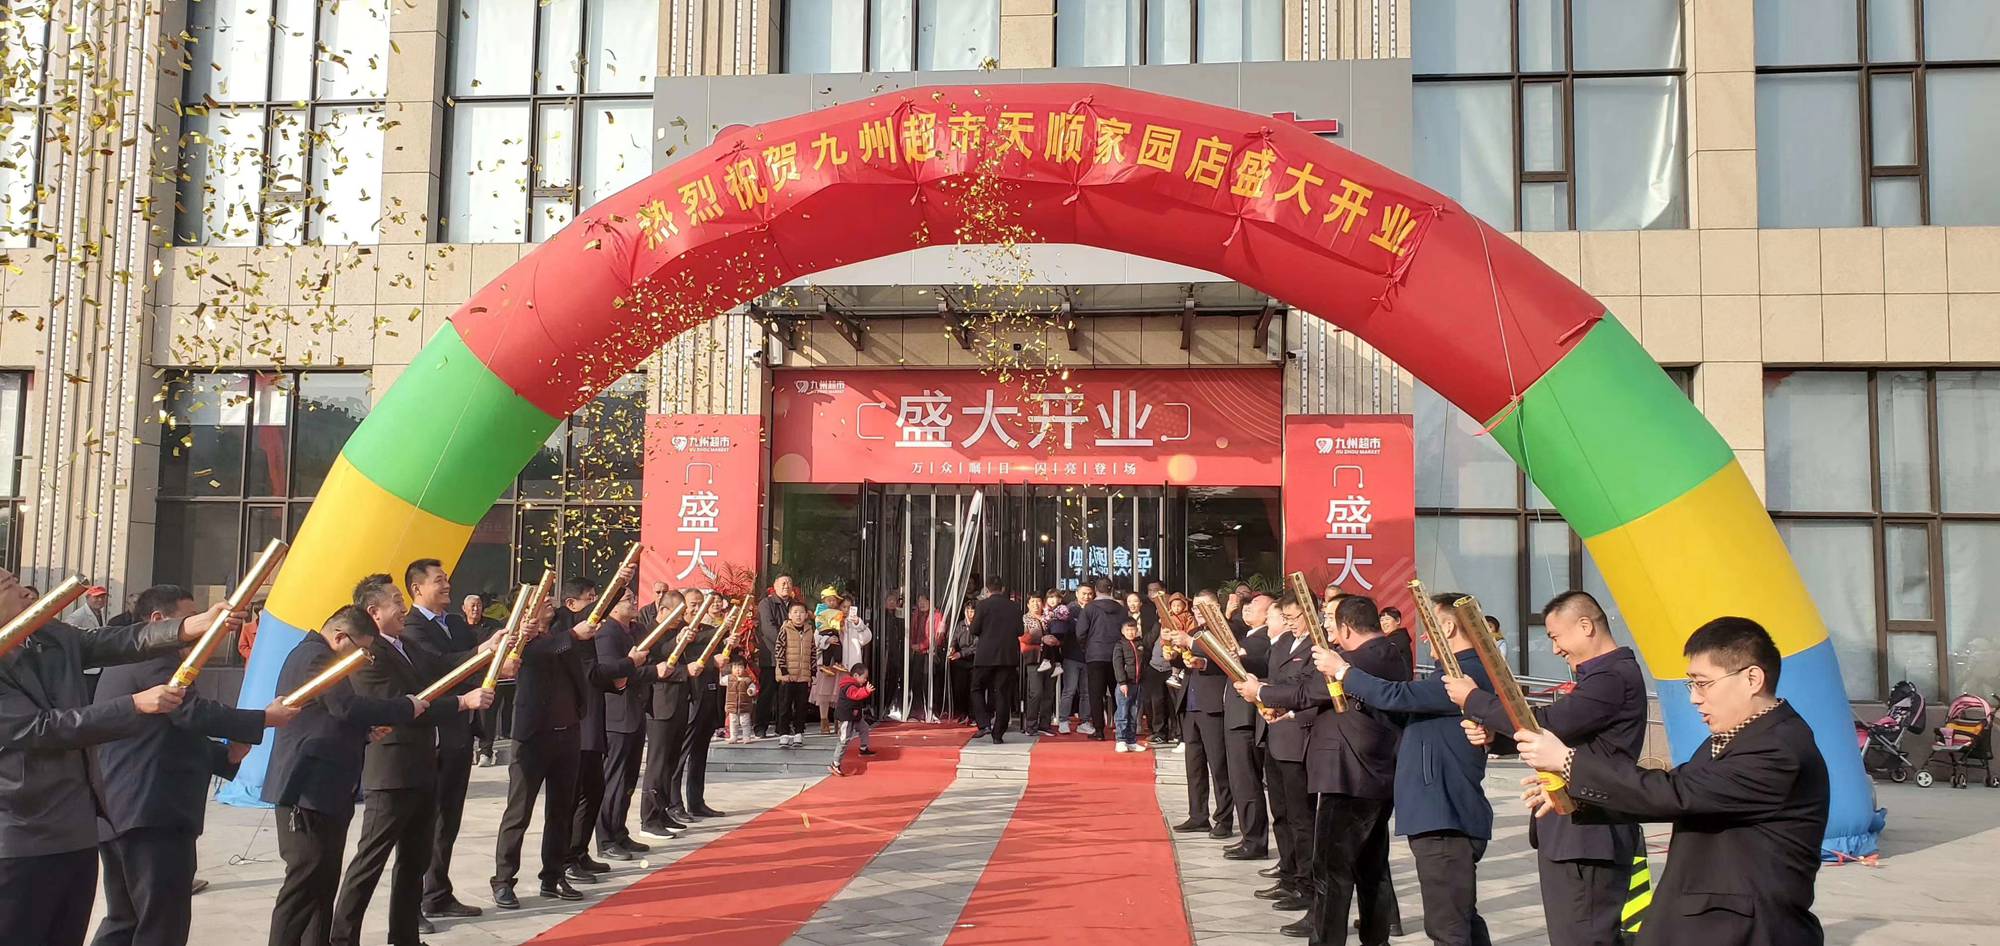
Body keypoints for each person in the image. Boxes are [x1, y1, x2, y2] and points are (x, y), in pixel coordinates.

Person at [1509, 617, 1829, 946]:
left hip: (1743, 931)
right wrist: (1575, 797)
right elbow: (1675, 786)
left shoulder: (1778, 748)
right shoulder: (1737, 737)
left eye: (1703, 683)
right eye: (1692, 685)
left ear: (1752, 678)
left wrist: (1568, 762)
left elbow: (1678, 794)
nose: (1695, 698)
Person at [0, 568, 234, 946]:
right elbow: (40, 729)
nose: (26, 592)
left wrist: (187, 627)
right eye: (9, 587)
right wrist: (133, 706)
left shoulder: (46, 636)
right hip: (19, 833)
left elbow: (113, 640)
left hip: (76, 827)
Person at [91, 585, 297, 946]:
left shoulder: (136, 661)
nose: (202, 627)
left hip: (126, 810)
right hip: (151, 812)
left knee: (126, 920)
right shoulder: (154, 658)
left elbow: (167, 736)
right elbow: (190, 712)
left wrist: (226, 757)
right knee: (160, 923)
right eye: (192, 619)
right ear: (159, 620)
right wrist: (263, 718)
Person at [1446, 591, 1647, 946]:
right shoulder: (1600, 676)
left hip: (1588, 834)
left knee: (1582, 936)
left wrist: (1474, 700)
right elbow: (1559, 733)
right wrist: (1496, 737)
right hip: (1575, 833)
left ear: (1585, 626)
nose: (1555, 649)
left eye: (1555, 636)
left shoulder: (1612, 676)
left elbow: (1547, 723)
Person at [331, 575, 496, 946]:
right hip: (392, 771)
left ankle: (404, 936)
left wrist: (487, 649)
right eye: (395, 600)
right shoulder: (367, 657)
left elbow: (442, 666)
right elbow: (402, 707)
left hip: (423, 766)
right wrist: (462, 703)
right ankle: (341, 939)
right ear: (373, 612)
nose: (403, 607)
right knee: (370, 861)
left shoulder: (405, 644)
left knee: (414, 861)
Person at [1326, 593, 1496, 946]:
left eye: (1429, 626)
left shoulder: (1463, 675)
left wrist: (1344, 672)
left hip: (1446, 817)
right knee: (1461, 919)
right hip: (1438, 815)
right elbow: (1404, 710)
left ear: (1448, 627)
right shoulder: (1448, 673)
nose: (1423, 636)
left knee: (1448, 927)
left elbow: (1398, 696)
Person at [1240, 594, 1407, 946]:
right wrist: (1286, 709)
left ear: (1347, 627)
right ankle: (1376, 939)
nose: (1326, 627)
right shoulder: (1390, 653)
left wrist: (1261, 691)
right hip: (1376, 775)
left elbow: (1308, 690)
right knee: (1371, 868)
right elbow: (1325, 699)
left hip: (1347, 776)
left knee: (1331, 872)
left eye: (1331, 620)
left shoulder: (1353, 660)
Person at [265, 606, 426, 946]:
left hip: (327, 788)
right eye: (361, 651)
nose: (362, 660)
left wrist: (364, 732)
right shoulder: (315, 657)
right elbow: (345, 706)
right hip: (305, 788)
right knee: (304, 882)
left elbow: (327, 717)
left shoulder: (317, 654)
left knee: (323, 883)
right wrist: (405, 707)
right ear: (340, 637)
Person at [490, 580, 595, 909]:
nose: (549, 600)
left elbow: (593, 610)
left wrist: (621, 580)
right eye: (541, 597)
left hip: (568, 733)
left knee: (561, 811)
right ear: (525, 609)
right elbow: (537, 652)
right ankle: (503, 880)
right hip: (533, 737)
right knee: (518, 812)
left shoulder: (561, 629)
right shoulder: (518, 641)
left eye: (549, 595)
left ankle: (553, 876)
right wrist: (571, 636)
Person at [398, 562, 490, 923]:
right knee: (421, 824)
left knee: (448, 819)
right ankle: (410, 905)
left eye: (447, 578)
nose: (447, 585)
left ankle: (437, 893)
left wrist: (497, 658)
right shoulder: (411, 628)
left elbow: (471, 666)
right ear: (417, 588)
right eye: (439, 580)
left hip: (459, 732)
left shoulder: (454, 623)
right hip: (429, 735)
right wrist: (482, 652)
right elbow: (437, 668)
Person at [1256, 596, 1318, 914]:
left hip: (1298, 737)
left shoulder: (1317, 647)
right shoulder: (1283, 643)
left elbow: (1300, 687)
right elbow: (1274, 677)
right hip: (1274, 734)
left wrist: (1266, 693)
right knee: (1280, 812)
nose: (1291, 623)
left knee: (1301, 817)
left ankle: (1306, 884)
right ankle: (1288, 874)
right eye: (1287, 617)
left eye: (1295, 617)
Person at [592, 590, 661, 864]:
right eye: (627, 600)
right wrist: (649, 670)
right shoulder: (606, 633)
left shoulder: (635, 630)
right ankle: (605, 838)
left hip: (635, 710)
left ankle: (619, 831)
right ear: (612, 606)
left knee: (629, 778)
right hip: (616, 714)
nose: (634, 603)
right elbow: (612, 672)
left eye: (633, 598)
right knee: (613, 778)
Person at [1171, 592, 1233, 839]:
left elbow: (1225, 659)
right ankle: (1198, 815)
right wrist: (1174, 653)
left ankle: (1224, 819)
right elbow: (1186, 659)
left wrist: (1201, 659)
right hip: (1191, 704)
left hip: (1213, 706)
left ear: (1215, 607)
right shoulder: (1195, 631)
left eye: (1202, 606)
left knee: (1218, 765)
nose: (1196, 610)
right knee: (1194, 764)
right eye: (1195, 607)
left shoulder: (1224, 630)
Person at [636, 592, 692, 840]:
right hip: (659, 703)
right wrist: (683, 665)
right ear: (663, 610)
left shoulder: (676, 631)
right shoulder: (648, 632)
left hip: (678, 701)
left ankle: (662, 812)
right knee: (657, 763)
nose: (680, 618)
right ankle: (648, 819)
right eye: (677, 613)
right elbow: (656, 661)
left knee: (670, 761)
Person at [676, 596, 731, 821]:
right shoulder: (678, 631)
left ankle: (696, 801)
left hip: (708, 696)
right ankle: (673, 804)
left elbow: (722, 655)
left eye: (702, 605)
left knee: (700, 754)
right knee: (681, 755)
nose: (698, 609)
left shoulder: (709, 631)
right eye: (693, 605)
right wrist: (712, 660)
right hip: (688, 699)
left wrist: (729, 644)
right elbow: (684, 659)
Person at [969, 577, 1021, 744]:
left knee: (977, 688)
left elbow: (974, 629)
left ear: (987, 589)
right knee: (1003, 694)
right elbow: (1020, 630)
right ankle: (998, 734)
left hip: (985, 656)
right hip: (1007, 656)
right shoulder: (1014, 606)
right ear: (1003, 588)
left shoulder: (982, 605)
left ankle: (984, 724)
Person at [468, 593, 511, 768]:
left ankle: (486, 751)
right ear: (464, 609)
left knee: (487, 716)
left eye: (478, 605)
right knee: (467, 717)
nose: (475, 609)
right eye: (472, 606)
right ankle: (469, 751)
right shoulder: (458, 627)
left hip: (489, 677)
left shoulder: (493, 626)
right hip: (466, 679)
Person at [1079, 579, 1125, 739]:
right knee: (1118, 692)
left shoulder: (1089, 608)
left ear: (1096, 590)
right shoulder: (1121, 609)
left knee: (1096, 693)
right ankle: (1122, 728)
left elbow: (1081, 632)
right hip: (1116, 654)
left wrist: (1086, 647)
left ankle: (1099, 730)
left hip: (1095, 654)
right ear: (1111, 590)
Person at [754, 576, 796, 737]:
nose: (786, 586)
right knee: (767, 692)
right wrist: (787, 642)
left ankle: (782, 727)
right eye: (783, 583)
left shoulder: (795, 605)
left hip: (790, 656)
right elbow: (768, 628)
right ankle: (760, 727)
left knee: (785, 694)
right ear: (775, 586)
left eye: (789, 583)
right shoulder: (766, 603)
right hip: (771, 655)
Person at [773, 602, 815, 748]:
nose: (798, 615)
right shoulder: (785, 629)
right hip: (787, 675)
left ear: (806, 615)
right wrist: (784, 671)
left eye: (801, 612)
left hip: (803, 675)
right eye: (795, 612)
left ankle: (799, 733)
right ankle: (784, 734)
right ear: (790, 615)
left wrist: (813, 672)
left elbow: (813, 652)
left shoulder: (809, 631)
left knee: (801, 706)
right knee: (785, 706)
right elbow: (779, 650)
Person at [1047, 589, 1084, 732]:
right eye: (1083, 593)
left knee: (1086, 692)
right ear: (1077, 594)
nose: (1086, 596)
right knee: (1069, 690)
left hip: (1088, 656)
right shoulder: (1070, 610)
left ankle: (1085, 721)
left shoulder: (1093, 609)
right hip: (1071, 655)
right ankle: (1063, 720)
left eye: (1089, 593)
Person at [828, 665, 876, 776]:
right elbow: (855, 695)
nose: (865, 680)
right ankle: (835, 763)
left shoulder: (853, 685)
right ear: (855, 675)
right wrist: (866, 691)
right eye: (864, 677)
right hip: (846, 717)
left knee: (864, 728)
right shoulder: (849, 686)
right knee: (844, 740)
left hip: (854, 716)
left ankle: (863, 748)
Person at [1019, 595, 1056, 735]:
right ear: (1028, 604)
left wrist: (1056, 640)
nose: (1036, 604)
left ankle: (1044, 724)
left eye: (1038, 601)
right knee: (1036, 692)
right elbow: (1023, 637)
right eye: (1033, 601)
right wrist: (1041, 638)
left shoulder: (1049, 618)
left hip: (1051, 658)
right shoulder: (1025, 619)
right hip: (1034, 659)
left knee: (1049, 693)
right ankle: (1031, 725)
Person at [1111, 618, 1148, 752]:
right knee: (1123, 712)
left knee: (1134, 713)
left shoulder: (1140, 644)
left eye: (1133, 629)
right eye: (1128, 630)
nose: (1131, 632)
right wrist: (1122, 682)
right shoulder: (1120, 645)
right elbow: (1118, 665)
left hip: (1138, 683)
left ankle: (1131, 740)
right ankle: (1120, 740)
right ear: (1122, 631)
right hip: (1125, 684)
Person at [811, 590, 844, 735]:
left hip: (840, 664)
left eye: (834, 600)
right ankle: (824, 720)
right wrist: (827, 640)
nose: (832, 603)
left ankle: (839, 720)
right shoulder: (821, 618)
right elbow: (816, 639)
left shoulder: (842, 620)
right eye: (829, 600)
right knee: (823, 693)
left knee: (838, 693)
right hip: (825, 663)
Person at [724, 658, 757, 743]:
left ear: (744, 668)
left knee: (745, 722)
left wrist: (751, 691)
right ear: (731, 669)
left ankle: (746, 737)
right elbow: (721, 681)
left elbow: (753, 688)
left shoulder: (747, 680)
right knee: (733, 722)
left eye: (740, 667)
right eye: (735, 668)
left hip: (744, 706)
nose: (737, 670)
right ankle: (733, 737)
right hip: (732, 705)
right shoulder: (729, 678)